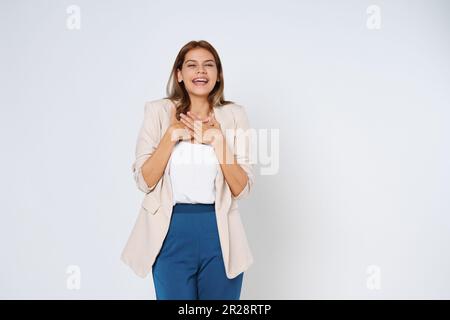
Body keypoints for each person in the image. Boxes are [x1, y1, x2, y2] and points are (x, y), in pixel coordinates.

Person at [121, 40, 255, 300]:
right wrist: (171, 134)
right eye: (192, 65)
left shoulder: (234, 115)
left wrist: (217, 140)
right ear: (179, 75)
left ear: (218, 75)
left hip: (220, 233)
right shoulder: (158, 112)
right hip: (170, 232)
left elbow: (243, 188)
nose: (201, 71)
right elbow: (143, 180)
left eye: (208, 65)